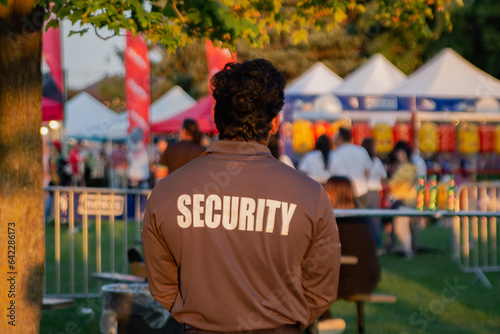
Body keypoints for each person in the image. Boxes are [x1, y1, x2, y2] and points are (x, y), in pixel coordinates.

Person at [142, 59, 341, 334]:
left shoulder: (166, 192)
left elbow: (162, 285)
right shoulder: (309, 195)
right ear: (274, 122)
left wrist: (203, 318)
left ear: (216, 118)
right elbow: (322, 287)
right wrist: (284, 319)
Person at [324, 176, 381, 299]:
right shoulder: (359, 218)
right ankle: (327, 318)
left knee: (306, 288)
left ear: (334, 193)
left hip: (352, 281)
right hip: (369, 278)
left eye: (326, 190)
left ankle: (327, 319)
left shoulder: (339, 221)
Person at [387, 141, 419, 259]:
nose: (397, 155)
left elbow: (393, 183)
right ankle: (407, 249)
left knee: (401, 228)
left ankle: (408, 251)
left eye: (399, 152)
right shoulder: (408, 167)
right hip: (405, 201)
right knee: (402, 228)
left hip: (405, 201)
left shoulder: (407, 167)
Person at [328, 127, 372, 208]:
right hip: (362, 191)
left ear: (339, 138)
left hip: (342, 195)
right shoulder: (361, 151)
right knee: (362, 219)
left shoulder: (334, 154)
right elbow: (367, 171)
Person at [361, 137, 387, 248]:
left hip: (362, 191)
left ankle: (365, 242)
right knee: (375, 220)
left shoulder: (361, 160)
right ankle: (377, 244)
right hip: (375, 192)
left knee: (363, 219)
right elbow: (384, 178)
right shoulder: (377, 161)